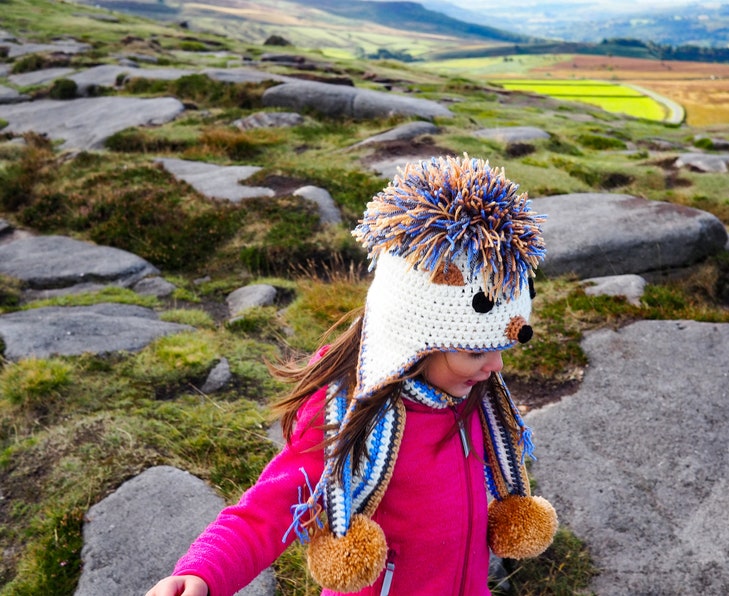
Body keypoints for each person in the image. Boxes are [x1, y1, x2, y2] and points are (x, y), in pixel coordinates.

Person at [146, 154, 558, 596]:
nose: (496, 367)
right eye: (477, 350)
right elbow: (270, 507)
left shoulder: (473, 398)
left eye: (501, 348)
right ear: (416, 335)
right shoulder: (349, 414)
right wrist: (204, 572)